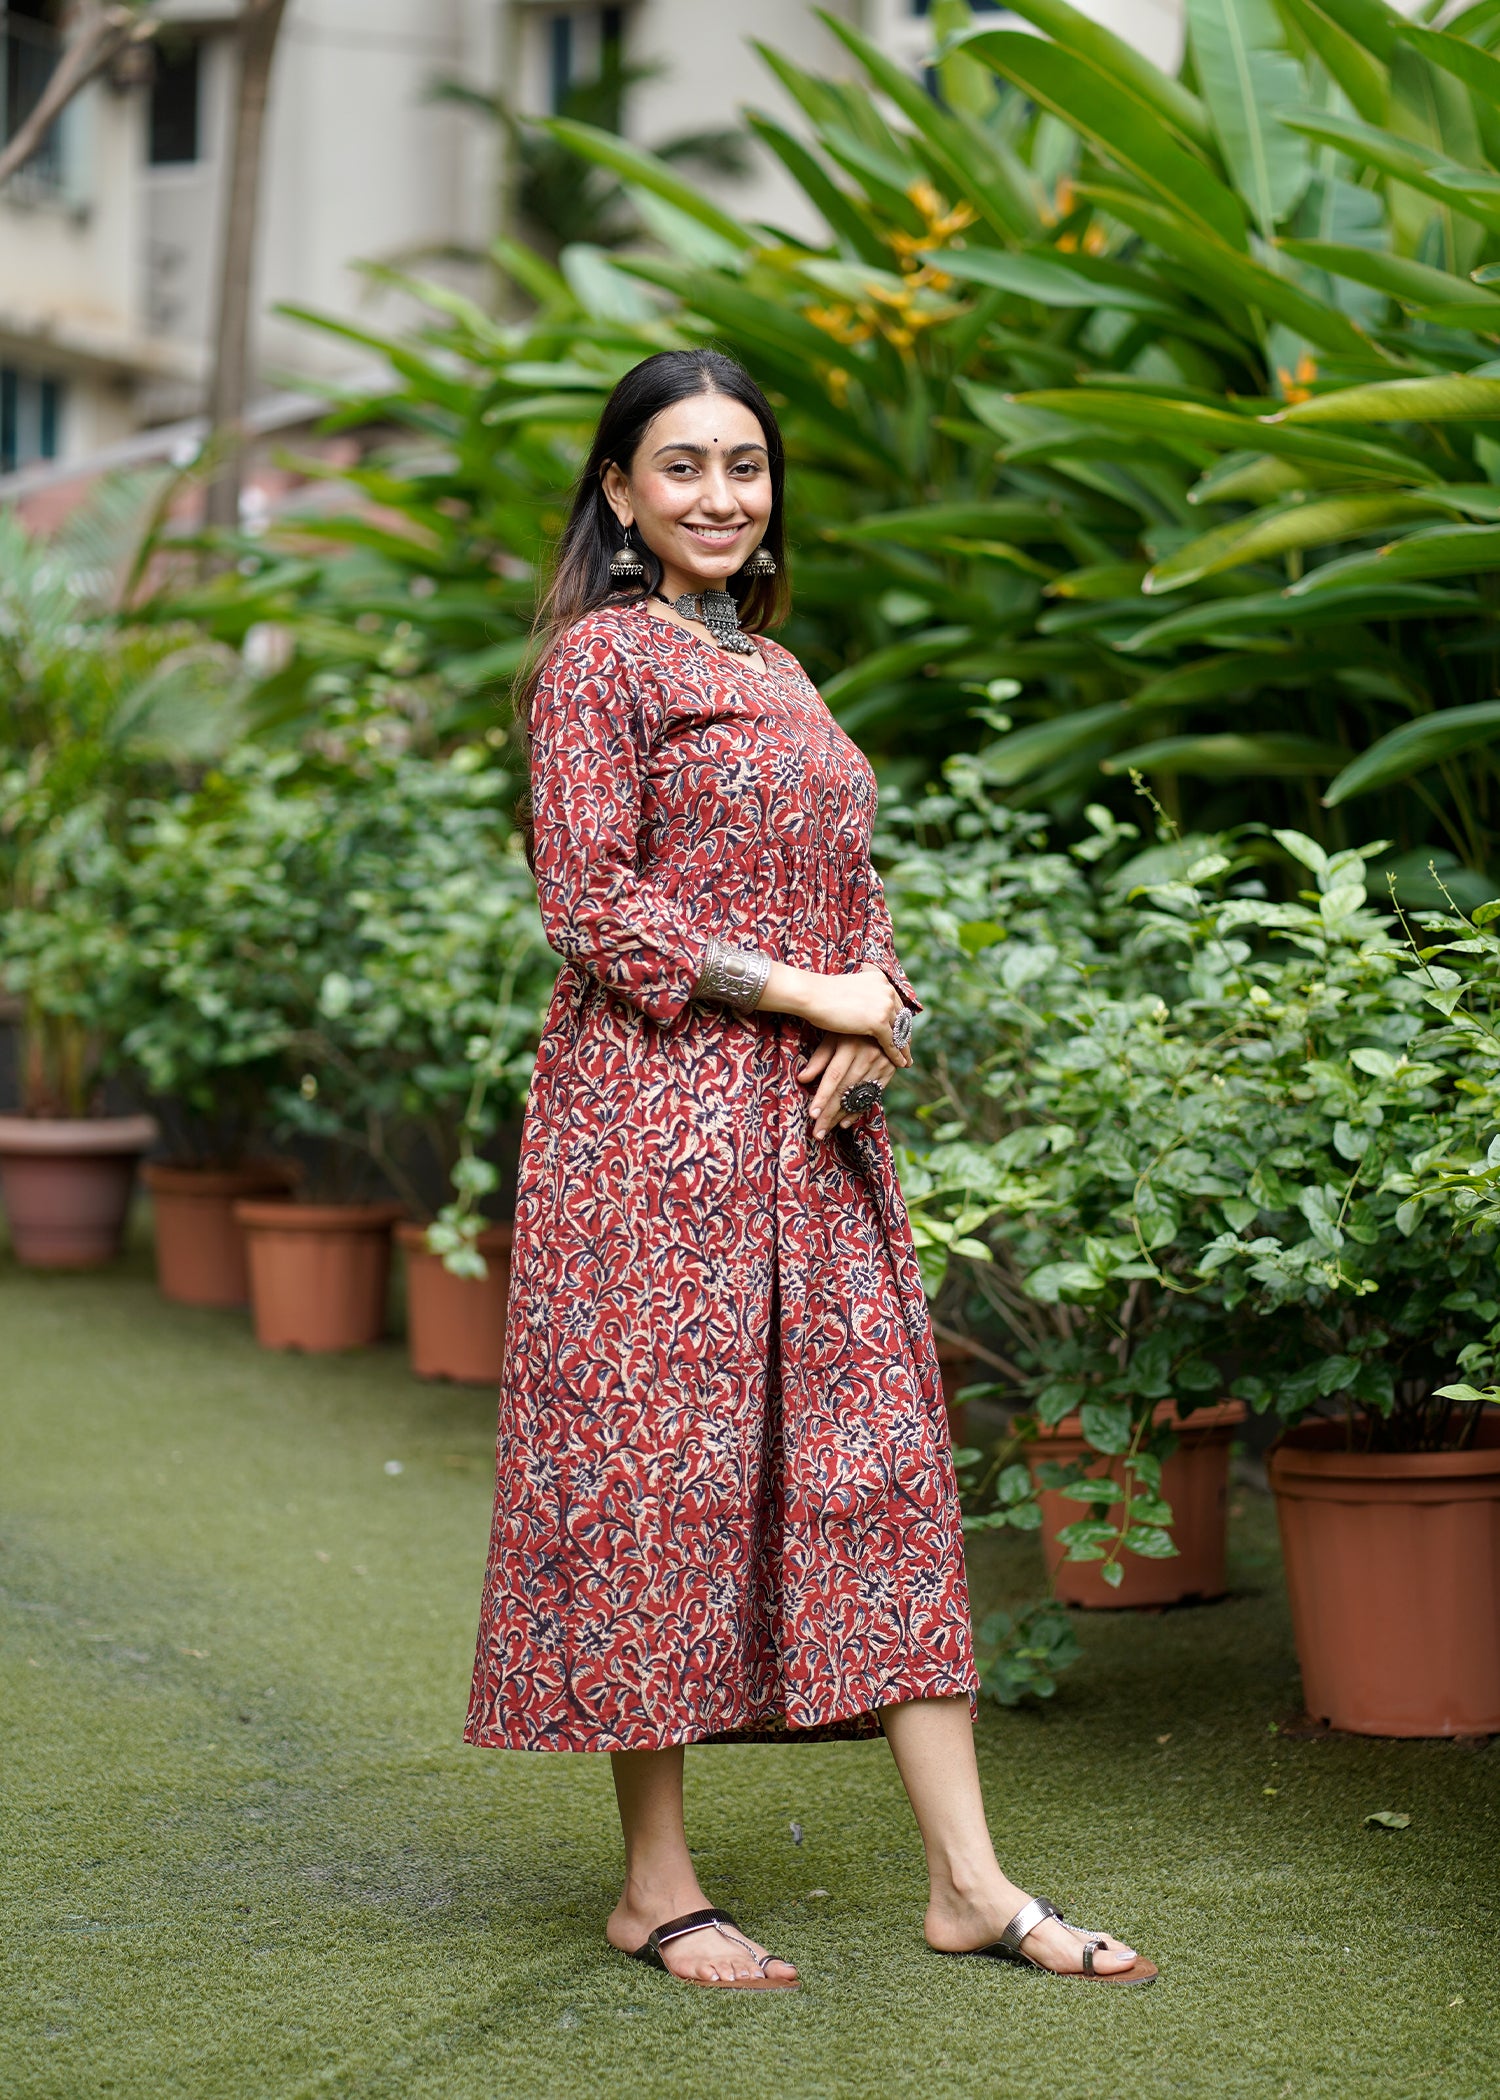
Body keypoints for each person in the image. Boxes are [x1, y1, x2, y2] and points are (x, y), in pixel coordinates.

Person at [465, 349, 1155, 1992]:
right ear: (618, 492)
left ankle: (970, 1884)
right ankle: (655, 1885)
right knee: (661, 1486)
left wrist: (885, 1002)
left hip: (816, 1142)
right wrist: (807, 996)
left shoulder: (773, 666)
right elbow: (593, 910)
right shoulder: (597, 666)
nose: (721, 495)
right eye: (682, 465)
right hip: (647, 1140)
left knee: (886, 1477)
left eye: (747, 465)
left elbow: (850, 879)